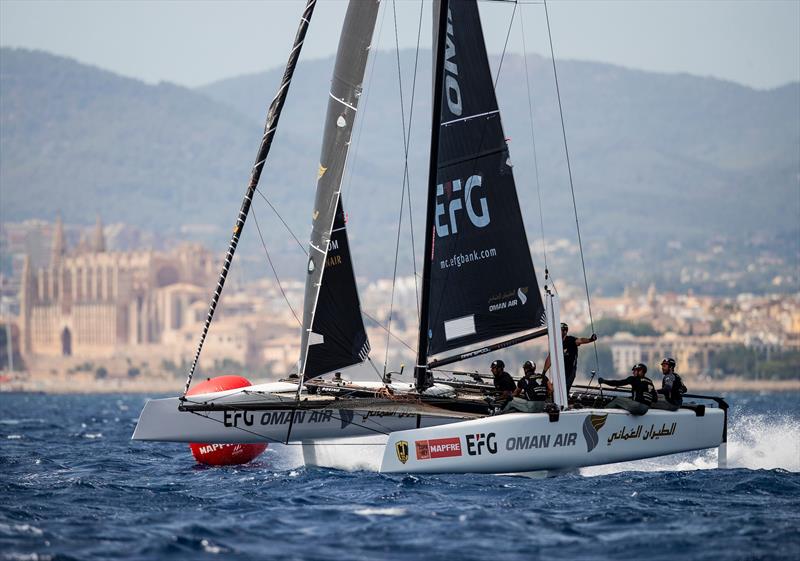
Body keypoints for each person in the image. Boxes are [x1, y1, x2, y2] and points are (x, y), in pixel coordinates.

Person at [542, 323, 597, 391]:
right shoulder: (556, 343)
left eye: (559, 330)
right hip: (559, 371)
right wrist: (544, 372)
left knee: (564, 390)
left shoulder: (570, 340)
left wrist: (590, 339)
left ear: (565, 331)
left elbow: (580, 340)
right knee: (554, 390)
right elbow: (550, 358)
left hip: (570, 371)